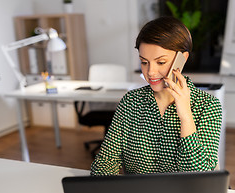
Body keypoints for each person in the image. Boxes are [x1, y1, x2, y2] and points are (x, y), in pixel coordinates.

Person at [91, 16, 222, 175]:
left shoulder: (208, 105)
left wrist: (186, 117)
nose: (150, 72)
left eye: (160, 62)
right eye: (144, 62)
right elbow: (106, 160)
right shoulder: (131, 102)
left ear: (182, 59)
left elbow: (201, 176)